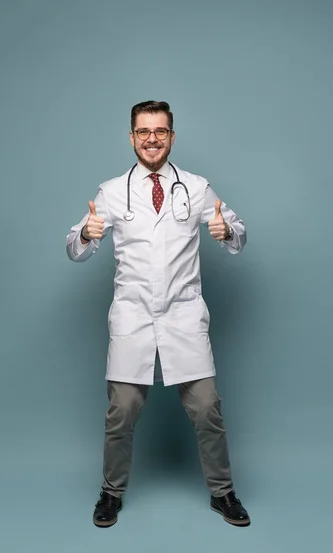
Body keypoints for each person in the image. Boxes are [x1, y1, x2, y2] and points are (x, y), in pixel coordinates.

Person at [66, 100, 250, 529]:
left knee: (207, 409)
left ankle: (223, 493)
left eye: (160, 131)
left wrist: (228, 232)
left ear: (171, 136)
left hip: (184, 317)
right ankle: (110, 494)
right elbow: (75, 249)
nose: (152, 139)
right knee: (122, 411)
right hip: (132, 318)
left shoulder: (197, 187)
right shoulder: (112, 191)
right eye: (143, 131)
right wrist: (86, 236)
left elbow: (237, 233)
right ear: (132, 137)